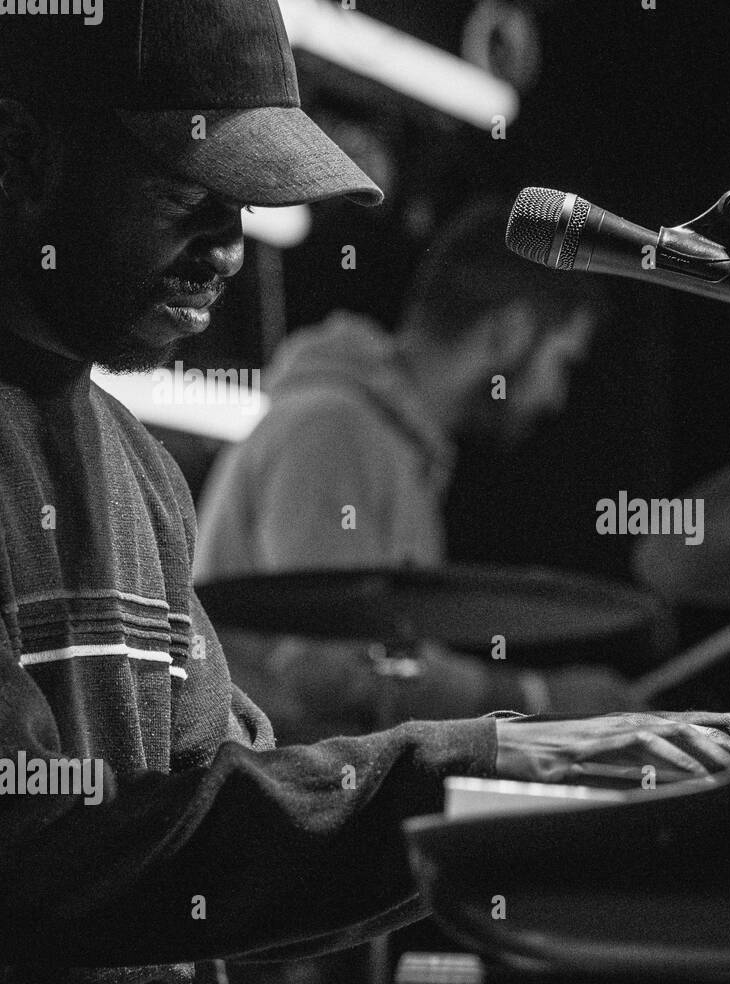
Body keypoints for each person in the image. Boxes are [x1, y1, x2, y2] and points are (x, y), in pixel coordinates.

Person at [0, 0, 730, 984]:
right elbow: (39, 858)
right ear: (20, 153)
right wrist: (490, 754)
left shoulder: (133, 462)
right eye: (190, 196)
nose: (229, 246)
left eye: (245, 206)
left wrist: (554, 793)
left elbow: (214, 800)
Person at [195, 196, 640, 738]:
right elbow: (325, 674)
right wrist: (535, 698)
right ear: (512, 331)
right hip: (267, 792)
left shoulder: (396, 444)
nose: (556, 398)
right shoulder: (335, 429)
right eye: (562, 362)